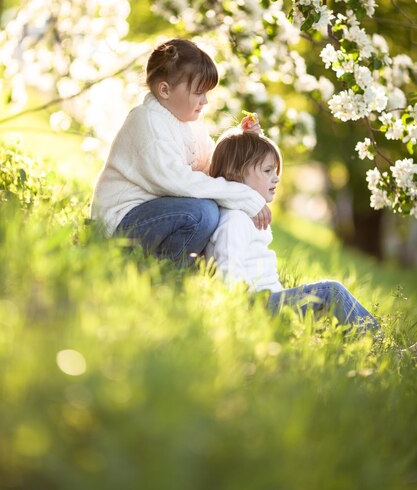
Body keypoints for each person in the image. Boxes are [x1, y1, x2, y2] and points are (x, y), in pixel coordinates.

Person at [90, 38, 270, 264]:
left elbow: (212, 169)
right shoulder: (147, 122)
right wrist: (242, 195)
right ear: (165, 90)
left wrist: (244, 140)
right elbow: (181, 182)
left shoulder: (190, 124)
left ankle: (175, 263)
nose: (205, 101)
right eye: (198, 92)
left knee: (209, 207)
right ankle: (166, 268)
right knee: (202, 213)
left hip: (155, 216)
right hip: (119, 225)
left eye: (207, 93)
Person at [205, 126, 380, 334]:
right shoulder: (235, 221)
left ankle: (362, 334)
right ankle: (378, 340)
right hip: (255, 306)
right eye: (267, 171)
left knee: (325, 298)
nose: (276, 178)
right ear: (236, 173)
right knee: (331, 292)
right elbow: (227, 274)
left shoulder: (246, 216)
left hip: (269, 300)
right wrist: (242, 314)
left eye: (275, 171)